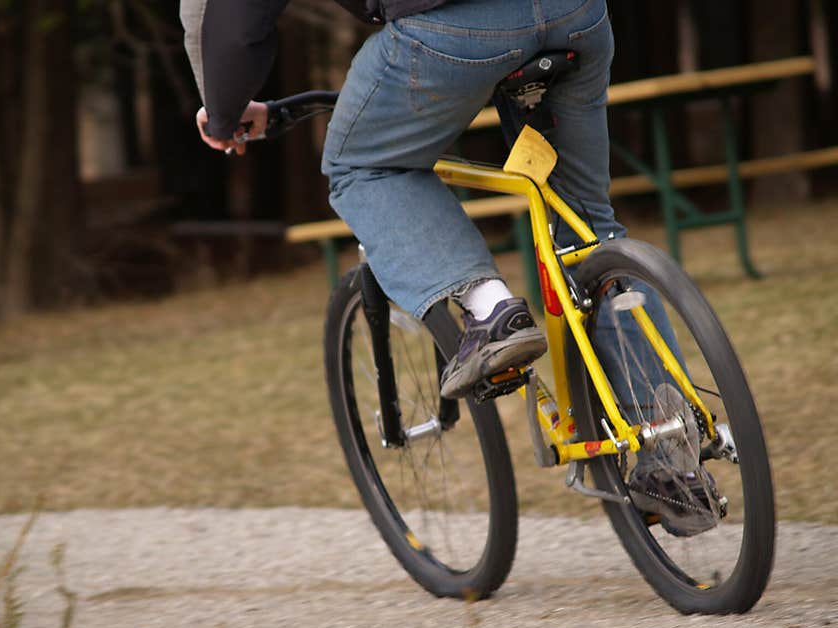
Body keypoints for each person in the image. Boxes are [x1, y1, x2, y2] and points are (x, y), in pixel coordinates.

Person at [180, 0, 717, 531]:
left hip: (453, 25)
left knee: (362, 165)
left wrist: (224, 112)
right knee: (587, 230)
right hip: (578, 13)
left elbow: (229, 13)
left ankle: (491, 312)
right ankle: (673, 459)